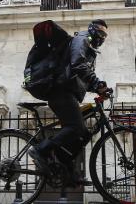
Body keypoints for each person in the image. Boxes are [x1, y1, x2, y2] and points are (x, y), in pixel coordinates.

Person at [27, 19, 111, 181]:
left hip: (67, 91)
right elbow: (77, 64)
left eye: (105, 34)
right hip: (60, 91)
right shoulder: (82, 39)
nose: (102, 37)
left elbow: (80, 79)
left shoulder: (89, 48)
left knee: (82, 134)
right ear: (92, 30)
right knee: (76, 127)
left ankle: (67, 169)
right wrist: (97, 83)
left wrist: (97, 88)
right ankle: (40, 150)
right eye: (100, 32)